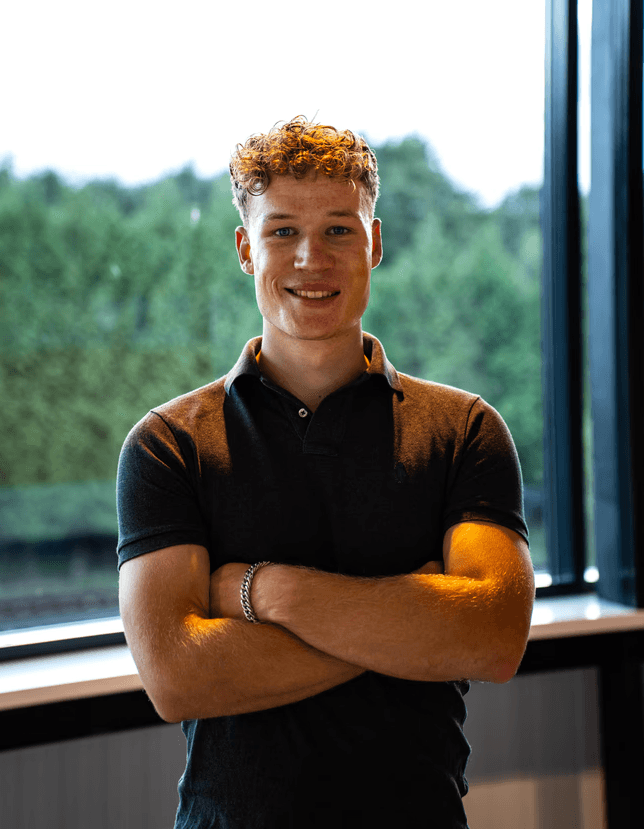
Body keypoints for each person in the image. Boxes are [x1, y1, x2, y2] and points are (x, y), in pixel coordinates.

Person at [116, 116, 535, 829]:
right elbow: (177, 676)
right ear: (247, 250)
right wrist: (410, 622)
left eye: (340, 230)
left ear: (374, 243)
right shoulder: (167, 444)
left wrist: (264, 590)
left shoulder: (465, 429)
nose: (312, 257)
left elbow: (492, 637)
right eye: (282, 231)